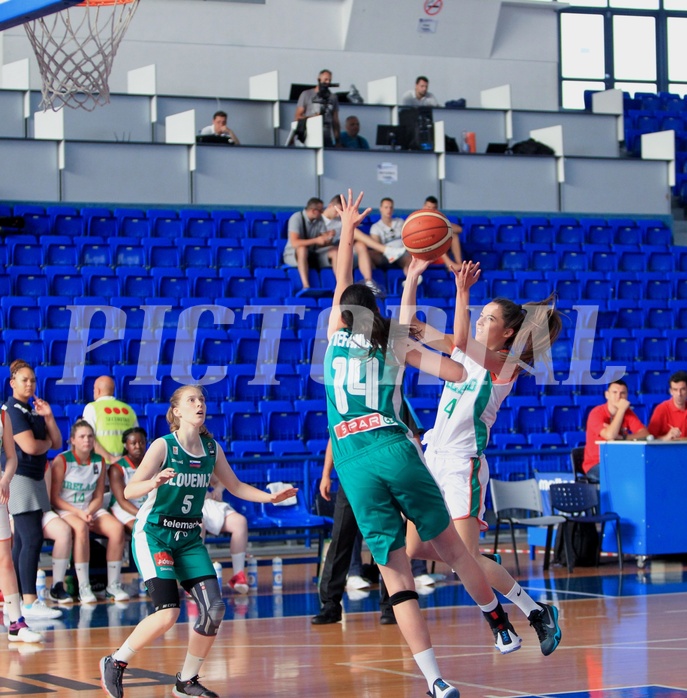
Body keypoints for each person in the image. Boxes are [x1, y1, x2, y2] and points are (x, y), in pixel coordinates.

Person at [323, 190, 519, 698]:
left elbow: (343, 279)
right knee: (453, 550)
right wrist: (411, 281)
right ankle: (497, 620)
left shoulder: (334, 334)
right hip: (394, 444)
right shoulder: (394, 342)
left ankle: (434, 679)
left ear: (343, 317)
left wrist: (347, 228)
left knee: (395, 571)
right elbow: (456, 368)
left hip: (351, 457)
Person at [402, 259, 564, 657]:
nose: (479, 321)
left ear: (507, 332)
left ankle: (534, 609)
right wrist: (410, 279)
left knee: (465, 558)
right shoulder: (465, 358)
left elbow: (457, 336)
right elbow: (412, 331)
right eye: (479, 315)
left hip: (462, 465)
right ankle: (482, 562)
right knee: (415, 549)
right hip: (432, 459)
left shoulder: (506, 366)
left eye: (487, 318)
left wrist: (462, 292)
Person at [99, 385, 297, 698]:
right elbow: (128, 491)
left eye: (202, 399)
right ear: (177, 411)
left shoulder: (211, 448)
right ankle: (116, 661)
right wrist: (154, 481)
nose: (199, 404)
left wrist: (270, 498)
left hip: (189, 538)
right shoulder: (164, 447)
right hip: (154, 534)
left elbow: (235, 485)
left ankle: (186, 681)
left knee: (214, 608)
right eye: (191, 400)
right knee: (167, 613)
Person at [3, 359, 62, 621]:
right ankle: (29, 600)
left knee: (24, 542)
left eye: (33, 380)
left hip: (35, 477)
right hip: (19, 478)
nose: (30, 384)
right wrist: (46, 443)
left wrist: (48, 418)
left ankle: (16, 599)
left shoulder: (33, 409)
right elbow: (29, 447)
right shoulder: (12, 410)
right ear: (12, 382)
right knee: (32, 538)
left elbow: (57, 442)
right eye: (24, 380)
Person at [50, 420, 130, 604]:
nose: (86, 440)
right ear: (72, 440)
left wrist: (89, 511)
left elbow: (99, 495)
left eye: (90, 436)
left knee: (116, 529)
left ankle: (113, 585)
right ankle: (84, 586)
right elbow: (54, 498)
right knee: (80, 528)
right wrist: (80, 514)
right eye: (82, 437)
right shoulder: (62, 460)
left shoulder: (99, 461)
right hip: (67, 509)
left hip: (90, 508)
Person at [0, 407, 43, 643]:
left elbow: (12, 457)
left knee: (5, 558)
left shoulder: (3, 415)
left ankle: (16, 622)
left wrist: (6, 479)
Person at [582, 379, 649, 482]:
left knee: (644, 471)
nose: (618, 397)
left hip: (620, 461)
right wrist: (621, 410)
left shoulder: (628, 413)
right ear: (607, 395)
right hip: (596, 464)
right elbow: (610, 435)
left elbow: (645, 434)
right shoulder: (596, 413)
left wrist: (623, 438)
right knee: (623, 476)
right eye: (614, 392)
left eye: (622, 393)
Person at [202, 474, 250, 594]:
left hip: (209, 505)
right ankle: (195, 579)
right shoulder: (174, 462)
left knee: (240, 522)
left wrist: (218, 489)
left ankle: (238, 577)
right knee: (198, 525)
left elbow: (221, 479)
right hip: (186, 507)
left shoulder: (204, 459)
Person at [282, 197, 338, 292]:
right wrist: (316, 240)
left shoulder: (319, 220)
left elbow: (321, 241)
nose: (322, 213)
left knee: (334, 251)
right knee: (302, 249)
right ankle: (306, 285)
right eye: (320, 210)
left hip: (312, 253)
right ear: (313, 211)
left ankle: (340, 285)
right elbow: (295, 242)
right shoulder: (296, 218)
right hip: (293, 254)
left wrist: (328, 237)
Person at [83, 376, 139, 464]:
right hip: (124, 463)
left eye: (94, 389)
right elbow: (136, 438)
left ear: (98, 390)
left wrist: (111, 458)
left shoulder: (91, 408)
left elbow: (89, 438)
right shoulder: (128, 409)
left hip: (101, 463)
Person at [109, 427, 149, 532]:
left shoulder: (152, 463)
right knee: (141, 530)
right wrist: (143, 515)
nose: (138, 447)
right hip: (125, 508)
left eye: (141, 443)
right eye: (133, 443)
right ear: (126, 446)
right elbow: (122, 501)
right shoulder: (117, 468)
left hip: (146, 507)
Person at [294, 69, 341, 147]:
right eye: (325, 79)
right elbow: (298, 116)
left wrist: (338, 141)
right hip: (311, 134)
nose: (328, 82)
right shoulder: (306, 94)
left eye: (330, 80)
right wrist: (314, 118)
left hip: (326, 135)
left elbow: (335, 121)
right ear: (319, 79)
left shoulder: (333, 97)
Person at [369, 197, 412, 277]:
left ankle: (409, 279)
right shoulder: (375, 227)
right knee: (369, 255)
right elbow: (376, 247)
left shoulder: (400, 222)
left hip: (401, 253)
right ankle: (373, 280)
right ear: (381, 209)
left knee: (410, 259)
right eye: (386, 207)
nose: (388, 210)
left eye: (391, 207)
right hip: (385, 255)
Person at [424, 195, 463, 269]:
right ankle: (450, 265)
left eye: (434, 208)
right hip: (423, 251)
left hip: (437, 254)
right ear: (424, 207)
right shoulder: (417, 219)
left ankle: (459, 264)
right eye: (428, 207)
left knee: (453, 236)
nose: (431, 210)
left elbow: (459, 229)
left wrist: (441, 226)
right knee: (436, 240)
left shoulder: (439, 220)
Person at [648, 370, 687, 441]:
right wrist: (666, 437)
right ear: (671, 391)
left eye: (682, 389)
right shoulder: (661, 409)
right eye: (675, 390)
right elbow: (650, 439)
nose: (679, 394)